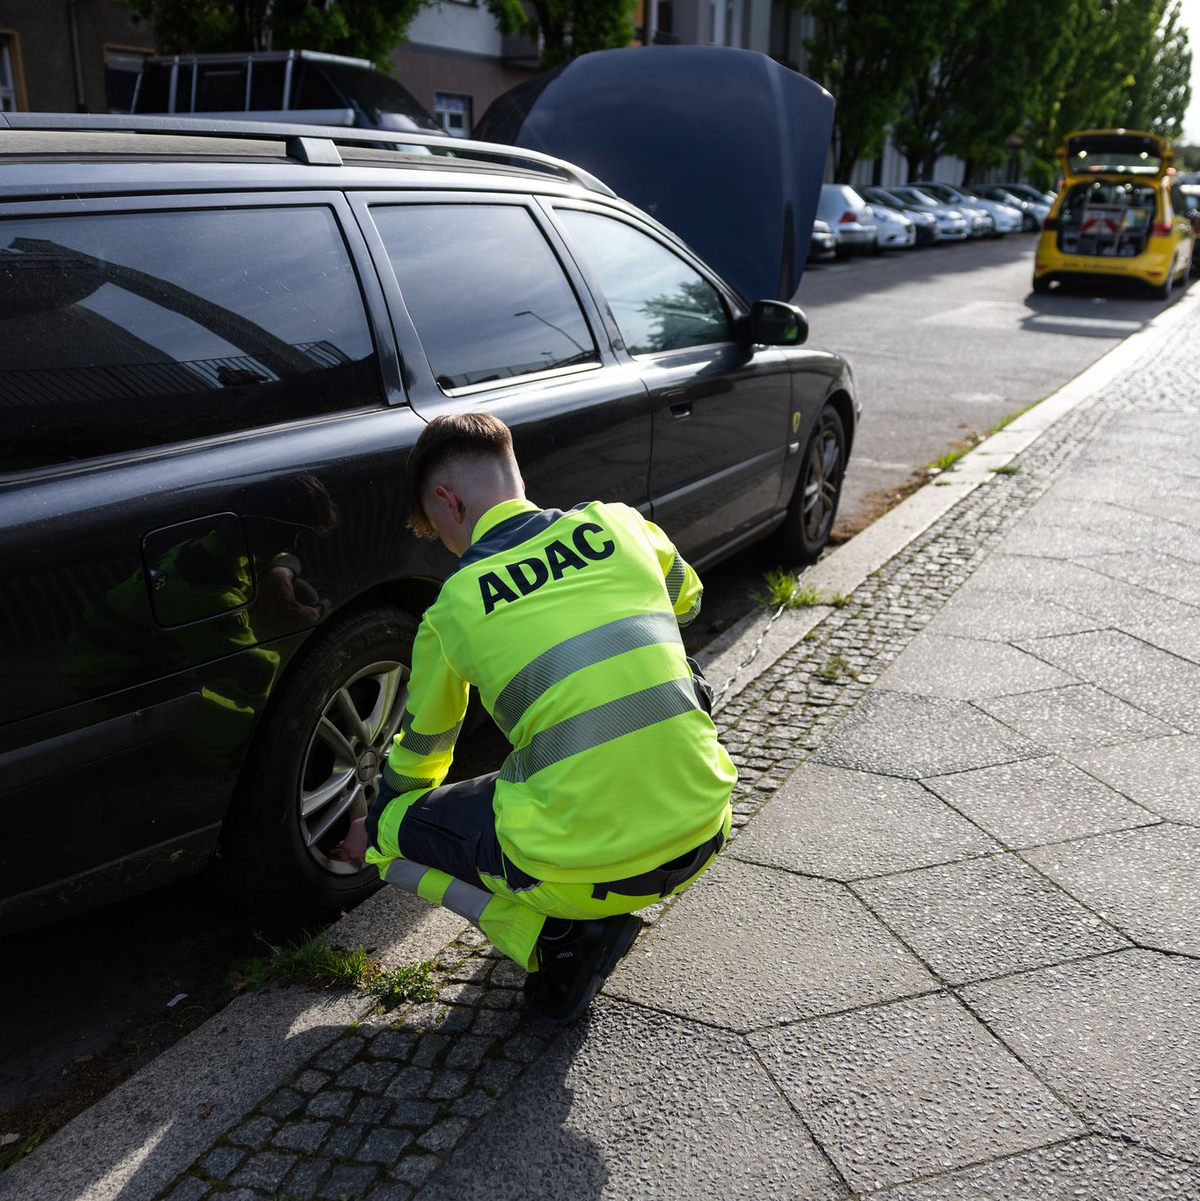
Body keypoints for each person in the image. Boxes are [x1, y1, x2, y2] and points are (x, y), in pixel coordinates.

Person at [339, 413, 736, 1023]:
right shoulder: (620, 522)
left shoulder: (457, 604)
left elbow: (422, 757)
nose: (447, 543)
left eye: (438, 528)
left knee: (385, 835)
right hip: (704, 828)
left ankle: (550, 940)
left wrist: (374, 819)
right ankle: (575, 917)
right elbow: (689, 598)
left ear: (450, 501)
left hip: (581, 869)